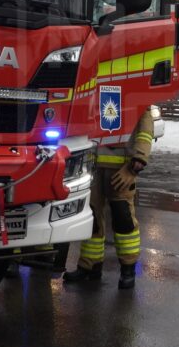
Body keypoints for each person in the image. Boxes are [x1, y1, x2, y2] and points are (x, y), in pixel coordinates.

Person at [64, 110, 154, 290]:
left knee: (123, 219)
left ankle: (128, 269)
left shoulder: (132, 89)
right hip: (92, 166)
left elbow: (145, 128)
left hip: (121, 169)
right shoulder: (95, 89)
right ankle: (90, 266)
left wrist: (139, 159)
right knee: (91, 218)